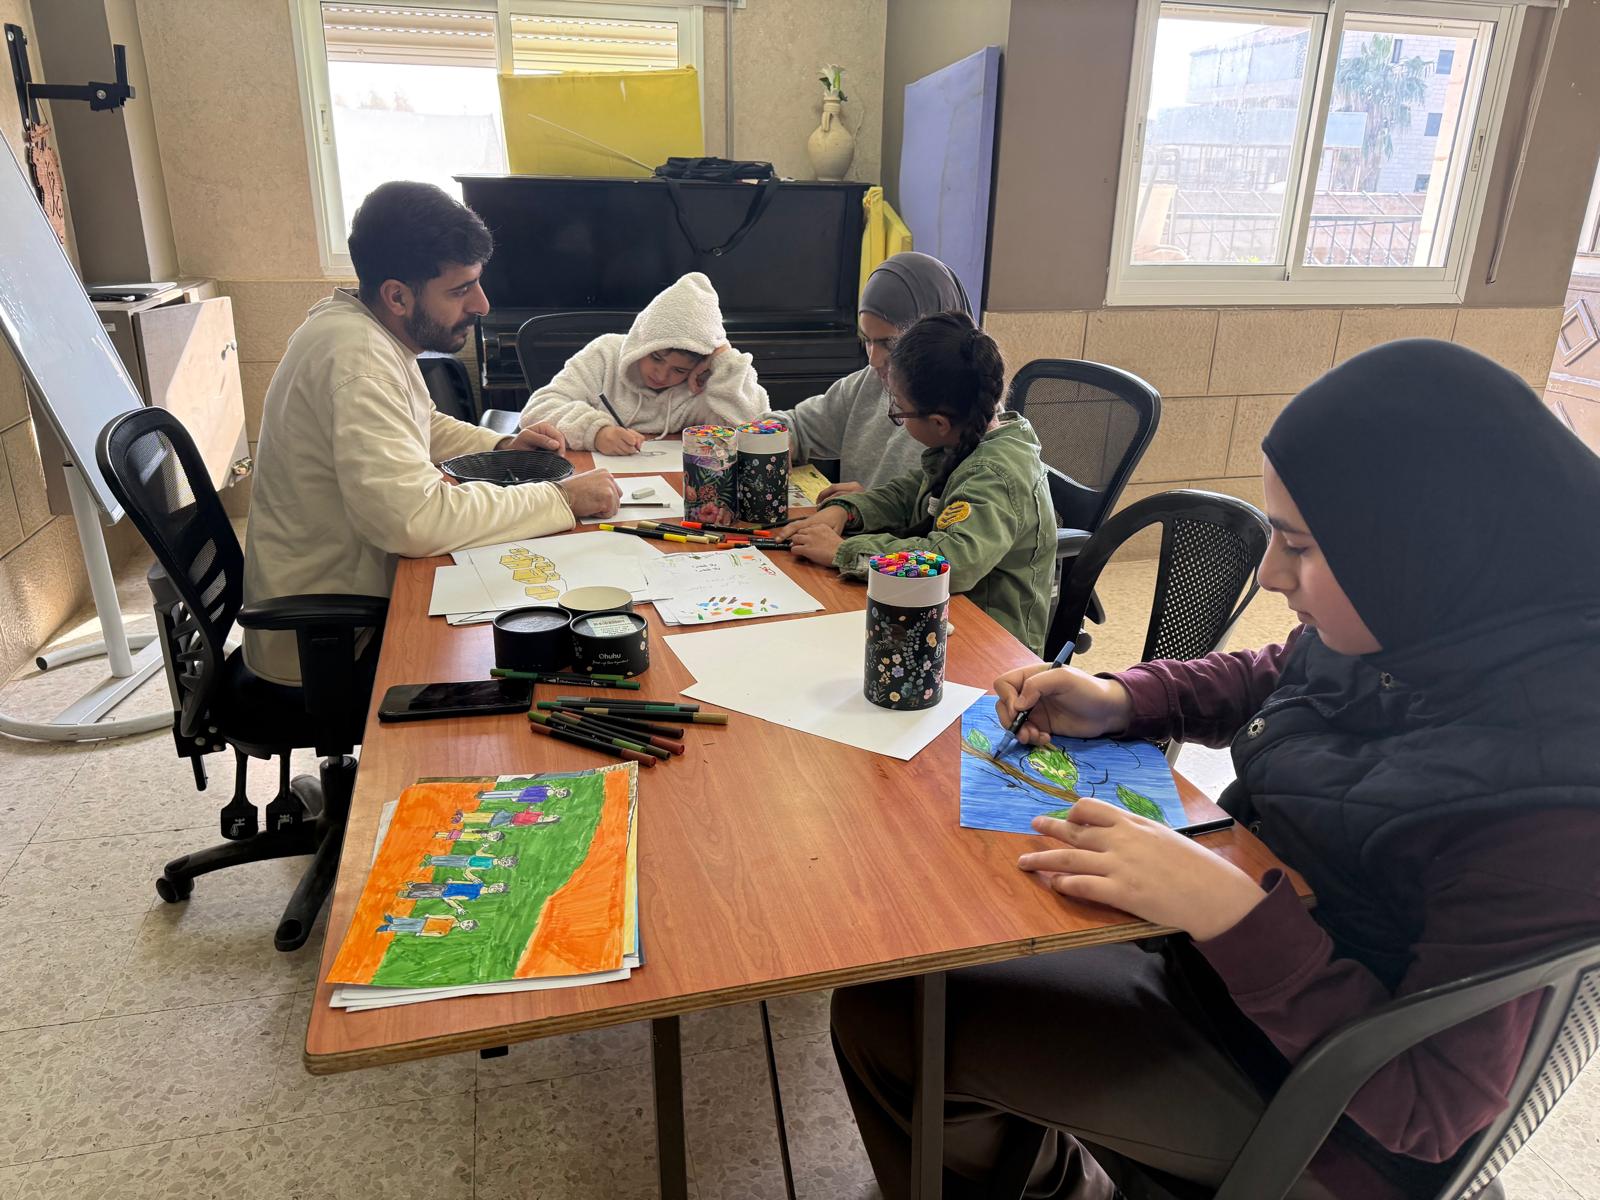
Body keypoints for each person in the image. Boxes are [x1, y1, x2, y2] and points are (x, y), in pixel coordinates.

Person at [829, 339, 1600, 1200]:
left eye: (1300, 547)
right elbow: (1281, 672)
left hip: (1325, 1120)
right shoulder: (1434, 620)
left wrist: (1226, 911)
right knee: (948, 934)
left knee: (895, 1019)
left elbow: (1429, 1109)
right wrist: (1118, 698)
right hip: (1245, 983)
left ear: (1423, 552)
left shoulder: (1551, 804)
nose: (1270, 575)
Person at [241, 181, 621, 686]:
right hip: (332, 643)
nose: (482, 304)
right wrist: (561, 499)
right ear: (397, 295)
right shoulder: (359, 361)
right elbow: (416, 521)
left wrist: (501, 446)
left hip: (356, 598)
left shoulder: (357, 327)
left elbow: (416, 422)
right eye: (461, 290)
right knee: (524, 667)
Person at [781, 311, 1054, 655]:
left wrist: (843, 552)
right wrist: (846, 511)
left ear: (939, 423)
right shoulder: (962, 444)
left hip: (990, 646)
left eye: (899, 409)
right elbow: (907, 494)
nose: (896, 414)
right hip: (939, 617)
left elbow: (951, 562)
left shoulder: (993, 475)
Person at [773, 251, 973, 499]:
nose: (873, 360)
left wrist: (869, 507)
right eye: (867, 340)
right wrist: (775, 440)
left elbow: (955, 518)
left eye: (890, 343)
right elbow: (792, 425)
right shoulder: (868, 384)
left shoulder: (975, 415)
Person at [516, 271, 768, 453]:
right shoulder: (605, 353)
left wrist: (724, 358)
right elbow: (538, 409)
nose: (661, 375)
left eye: (679, 370)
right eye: (656, 357)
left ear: (697, 367)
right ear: (641, 342)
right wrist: (596, 432)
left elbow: (753, 431)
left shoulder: (703, 380)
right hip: (593, 477)